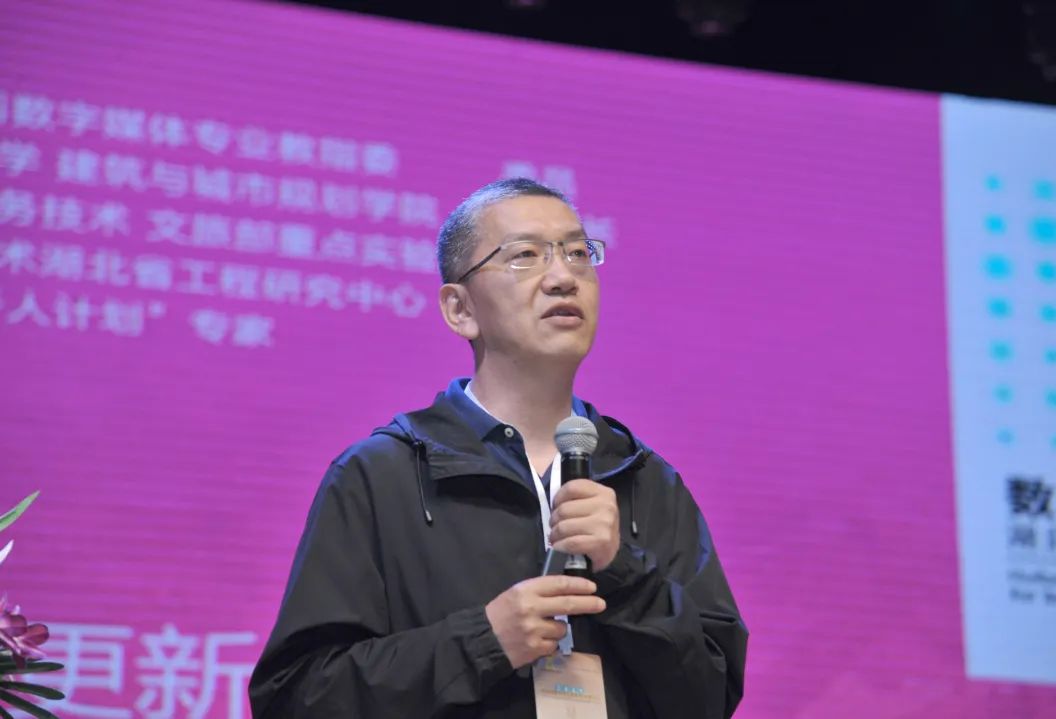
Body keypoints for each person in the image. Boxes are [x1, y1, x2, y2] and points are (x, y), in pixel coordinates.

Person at [248, 178, 748, 718]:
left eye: (578, 253)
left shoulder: (645, 480)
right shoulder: (383, 474)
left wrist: (624, 573)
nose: (563, 277)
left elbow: (711, 696)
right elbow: (295, 698)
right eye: (525, 255)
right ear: (460, 309)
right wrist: (485, 642)